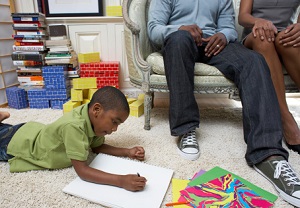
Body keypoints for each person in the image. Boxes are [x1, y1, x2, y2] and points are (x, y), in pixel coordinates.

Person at [147, 0, 300, 206]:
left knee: (254, 61)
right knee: (179, 40)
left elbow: (229, 28)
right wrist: (180, 28)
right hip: (180, 42)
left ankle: (268, 154)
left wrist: (223, 36)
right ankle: (186, 129)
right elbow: (154, 29)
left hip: (214, 45)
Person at [0, 86, 147, 192]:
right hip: (18, 144)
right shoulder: (74, 127)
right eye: (114, 122)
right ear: (96, 110)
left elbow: (96, 147)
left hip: (31, 131)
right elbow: (83, 171)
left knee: (6, 129)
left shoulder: (92, 120)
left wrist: (127, 152)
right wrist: (121, 181)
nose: (115, 129)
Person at [238, 0, 300, 154]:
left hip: (284, 34)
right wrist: (258, 21)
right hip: (255, 35)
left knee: (289, 43)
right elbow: (243, 17)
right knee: (264, 39)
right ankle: (286, 119)